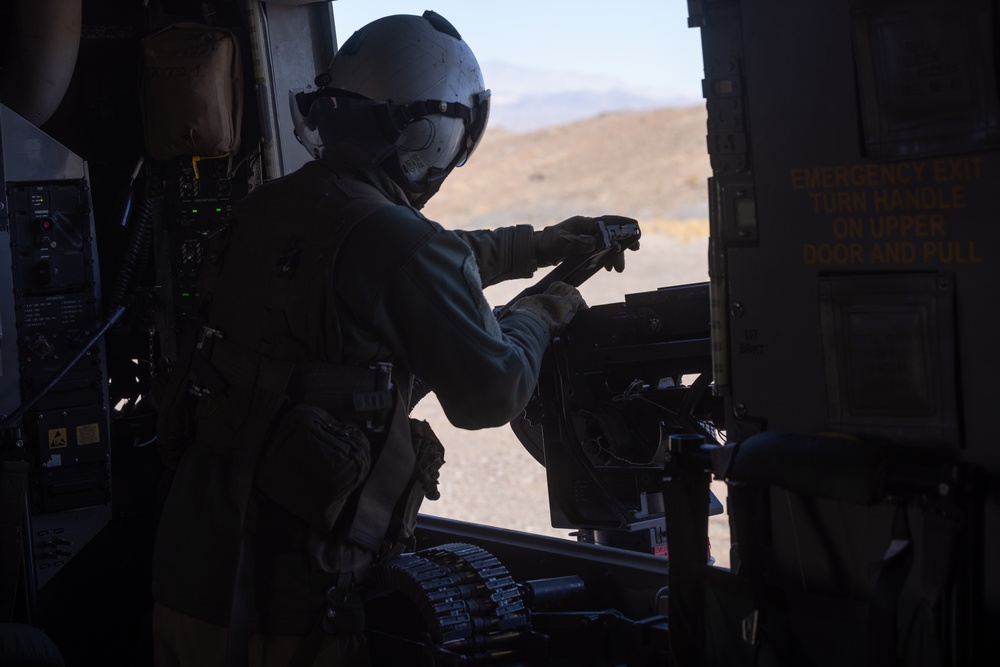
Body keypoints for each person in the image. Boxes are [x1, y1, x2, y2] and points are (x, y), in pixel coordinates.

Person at [151, 11, 638, 666]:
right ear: (442, 133)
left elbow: (423, 261)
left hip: (193, 561)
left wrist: (540, 244)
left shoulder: (269, 207)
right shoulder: (394, 241)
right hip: (289, 590)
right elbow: (491, 390)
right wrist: (544, 309)